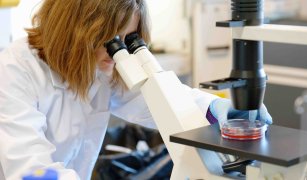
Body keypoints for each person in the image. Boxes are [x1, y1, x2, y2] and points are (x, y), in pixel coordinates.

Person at [0, 0, 272, 179]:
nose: (115, 52)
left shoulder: (99, 66)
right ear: (75, 30)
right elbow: (29, 168)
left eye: (126, 39)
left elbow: (155, 100)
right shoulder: (15, 70)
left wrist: (214, 108)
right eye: (108, 39)